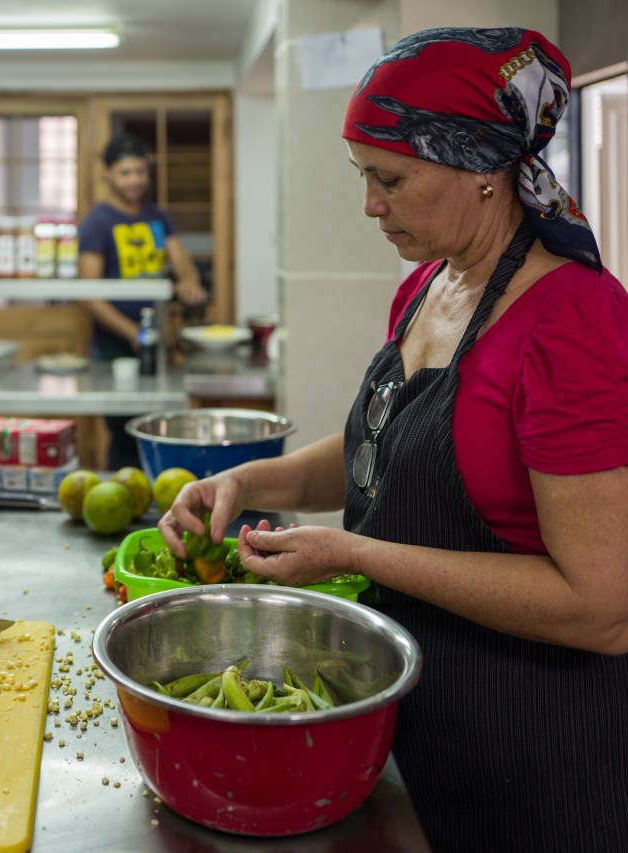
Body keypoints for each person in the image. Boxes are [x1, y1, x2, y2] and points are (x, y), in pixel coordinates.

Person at [160, 27, 628, 852]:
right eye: (363, 177)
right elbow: (388, 448)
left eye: (390, 178)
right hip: (417, 710)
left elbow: (600, 608)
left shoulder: (574, 321)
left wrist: (354, 553)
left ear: (482, 169)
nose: (370, 204)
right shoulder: (429, 284)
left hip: (538, 745)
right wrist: (247, 482)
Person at [77, 133, 207, 470]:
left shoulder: (157, 217)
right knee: (124, 439)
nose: (135, 180)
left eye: (140, 171)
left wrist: (189, 282)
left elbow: (183, 266)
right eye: (125, 172)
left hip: (155, 346)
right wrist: (134, 333)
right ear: (107, 174)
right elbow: (89, 295)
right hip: (113, 350)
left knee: (158, 431)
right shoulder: (97, 222)